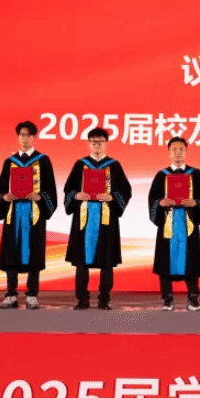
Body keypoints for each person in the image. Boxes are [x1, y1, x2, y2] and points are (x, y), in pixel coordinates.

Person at [63, 128, 132, 310]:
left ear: (106, 143)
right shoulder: (80, 165)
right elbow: (69, 189)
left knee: (106, 261)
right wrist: (76, 196)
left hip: (106, 220)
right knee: (81, 261)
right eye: (93, 142)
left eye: (100, 142)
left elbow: (125, 190)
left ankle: (104, 299)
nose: (97, 145)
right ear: (89, 143)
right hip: (83, 219)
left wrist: (112, 197)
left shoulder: (114, 166)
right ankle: (82, 299)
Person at [0, 121, 57, 309]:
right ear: (18, 137)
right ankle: (11, 294)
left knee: (34, 253)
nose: (25, 138)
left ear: (34, 137)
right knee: (11, 252)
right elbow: (0, 190)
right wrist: (4, 197)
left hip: (34, 214)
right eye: (22, 134)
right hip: (13, 213)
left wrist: (40, 196)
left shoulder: (43, 161)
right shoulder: (10, 162)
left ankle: (32, 295)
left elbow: (51, 190)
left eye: (28, 135)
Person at [148, 136, 200, 311]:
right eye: (174, 149)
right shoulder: (161, 175)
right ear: (168, 152)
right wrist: (160, 203)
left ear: (186, 152)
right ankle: (167, 299)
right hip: (168, 223)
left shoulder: (195, 174)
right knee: (165, 262)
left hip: (188, 223)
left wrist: (195, 203)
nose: (177, 153)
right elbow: (153, 199)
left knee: (191, 261)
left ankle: (193, 299)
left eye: (181, 149)